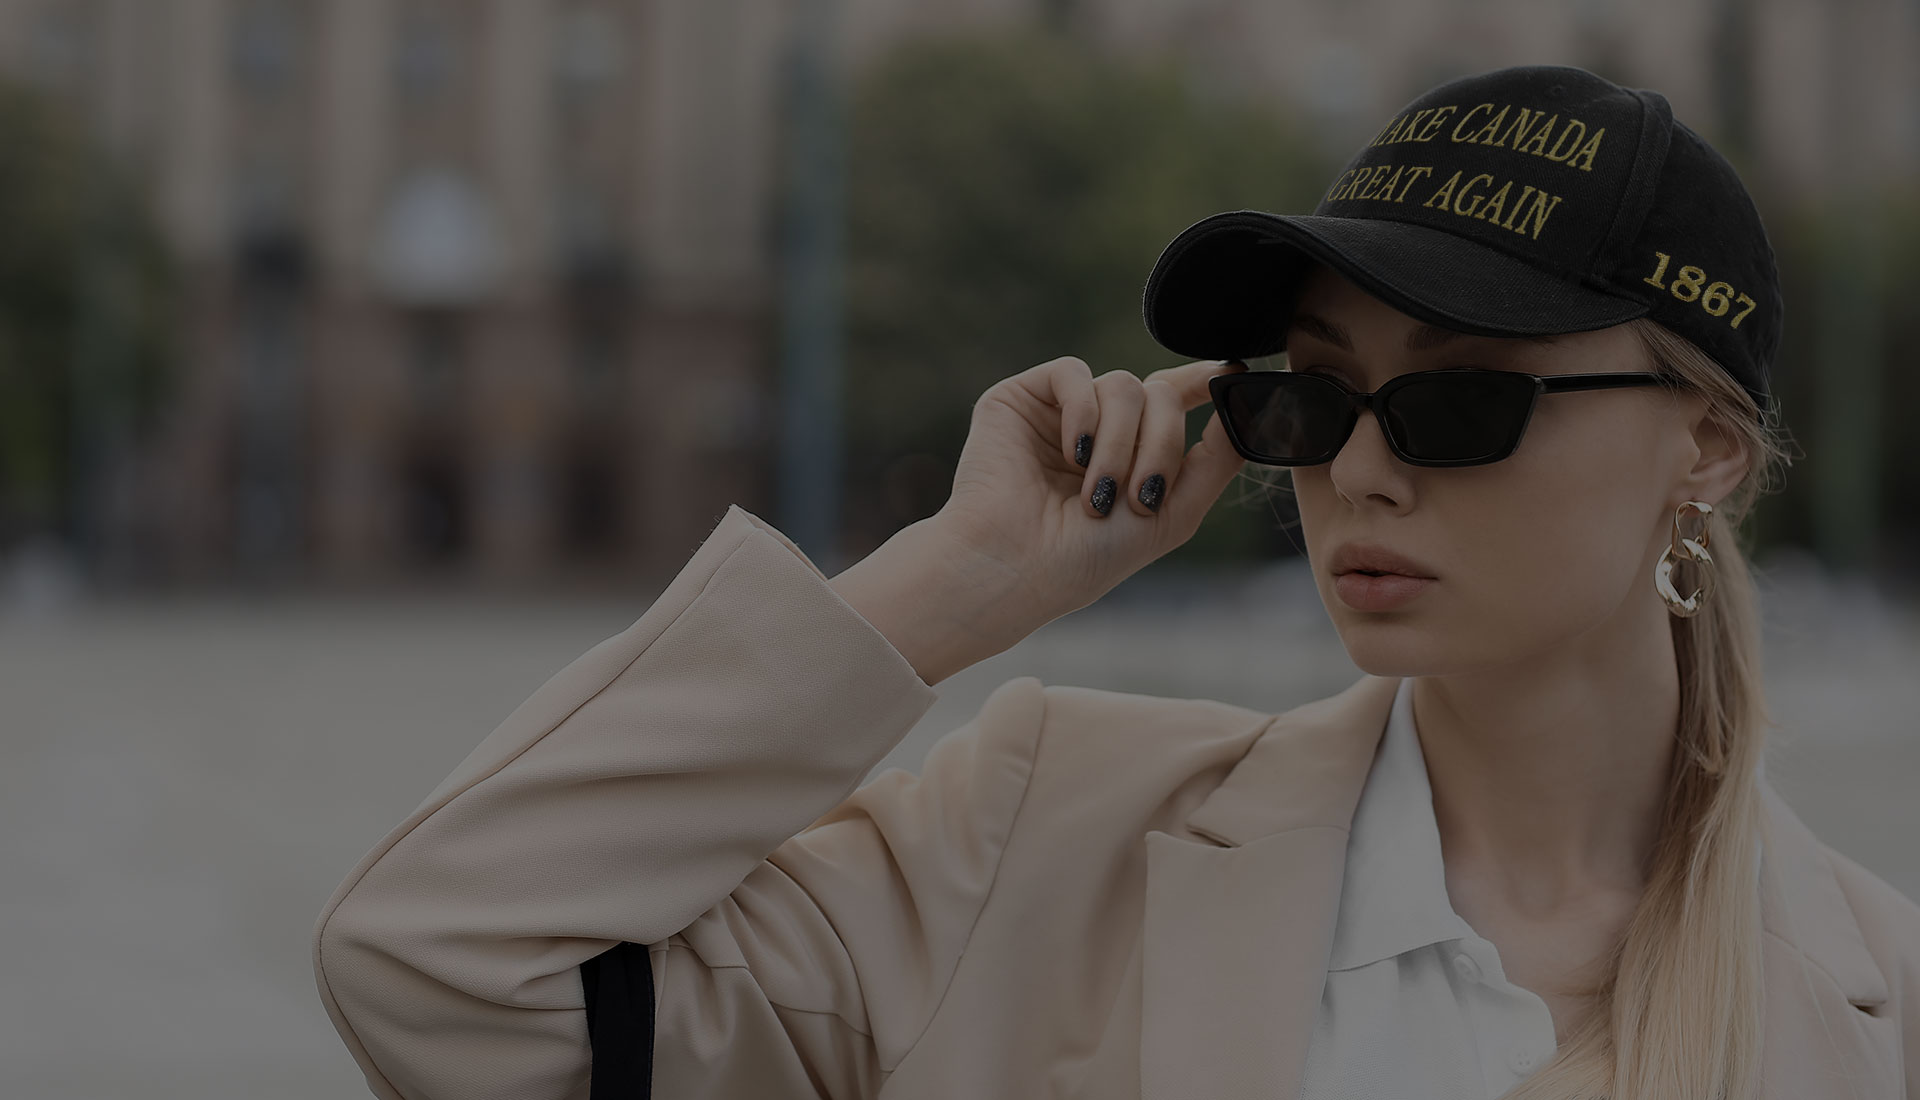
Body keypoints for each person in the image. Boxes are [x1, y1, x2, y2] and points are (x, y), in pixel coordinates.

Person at [310, 64, 1920, 1099]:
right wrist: (954, 586)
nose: (1358, 467)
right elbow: (440, 965)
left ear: (1705, 447)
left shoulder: (1880, 1004)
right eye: (1307, 394)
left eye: (1462, 395)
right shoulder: (1044, 840)